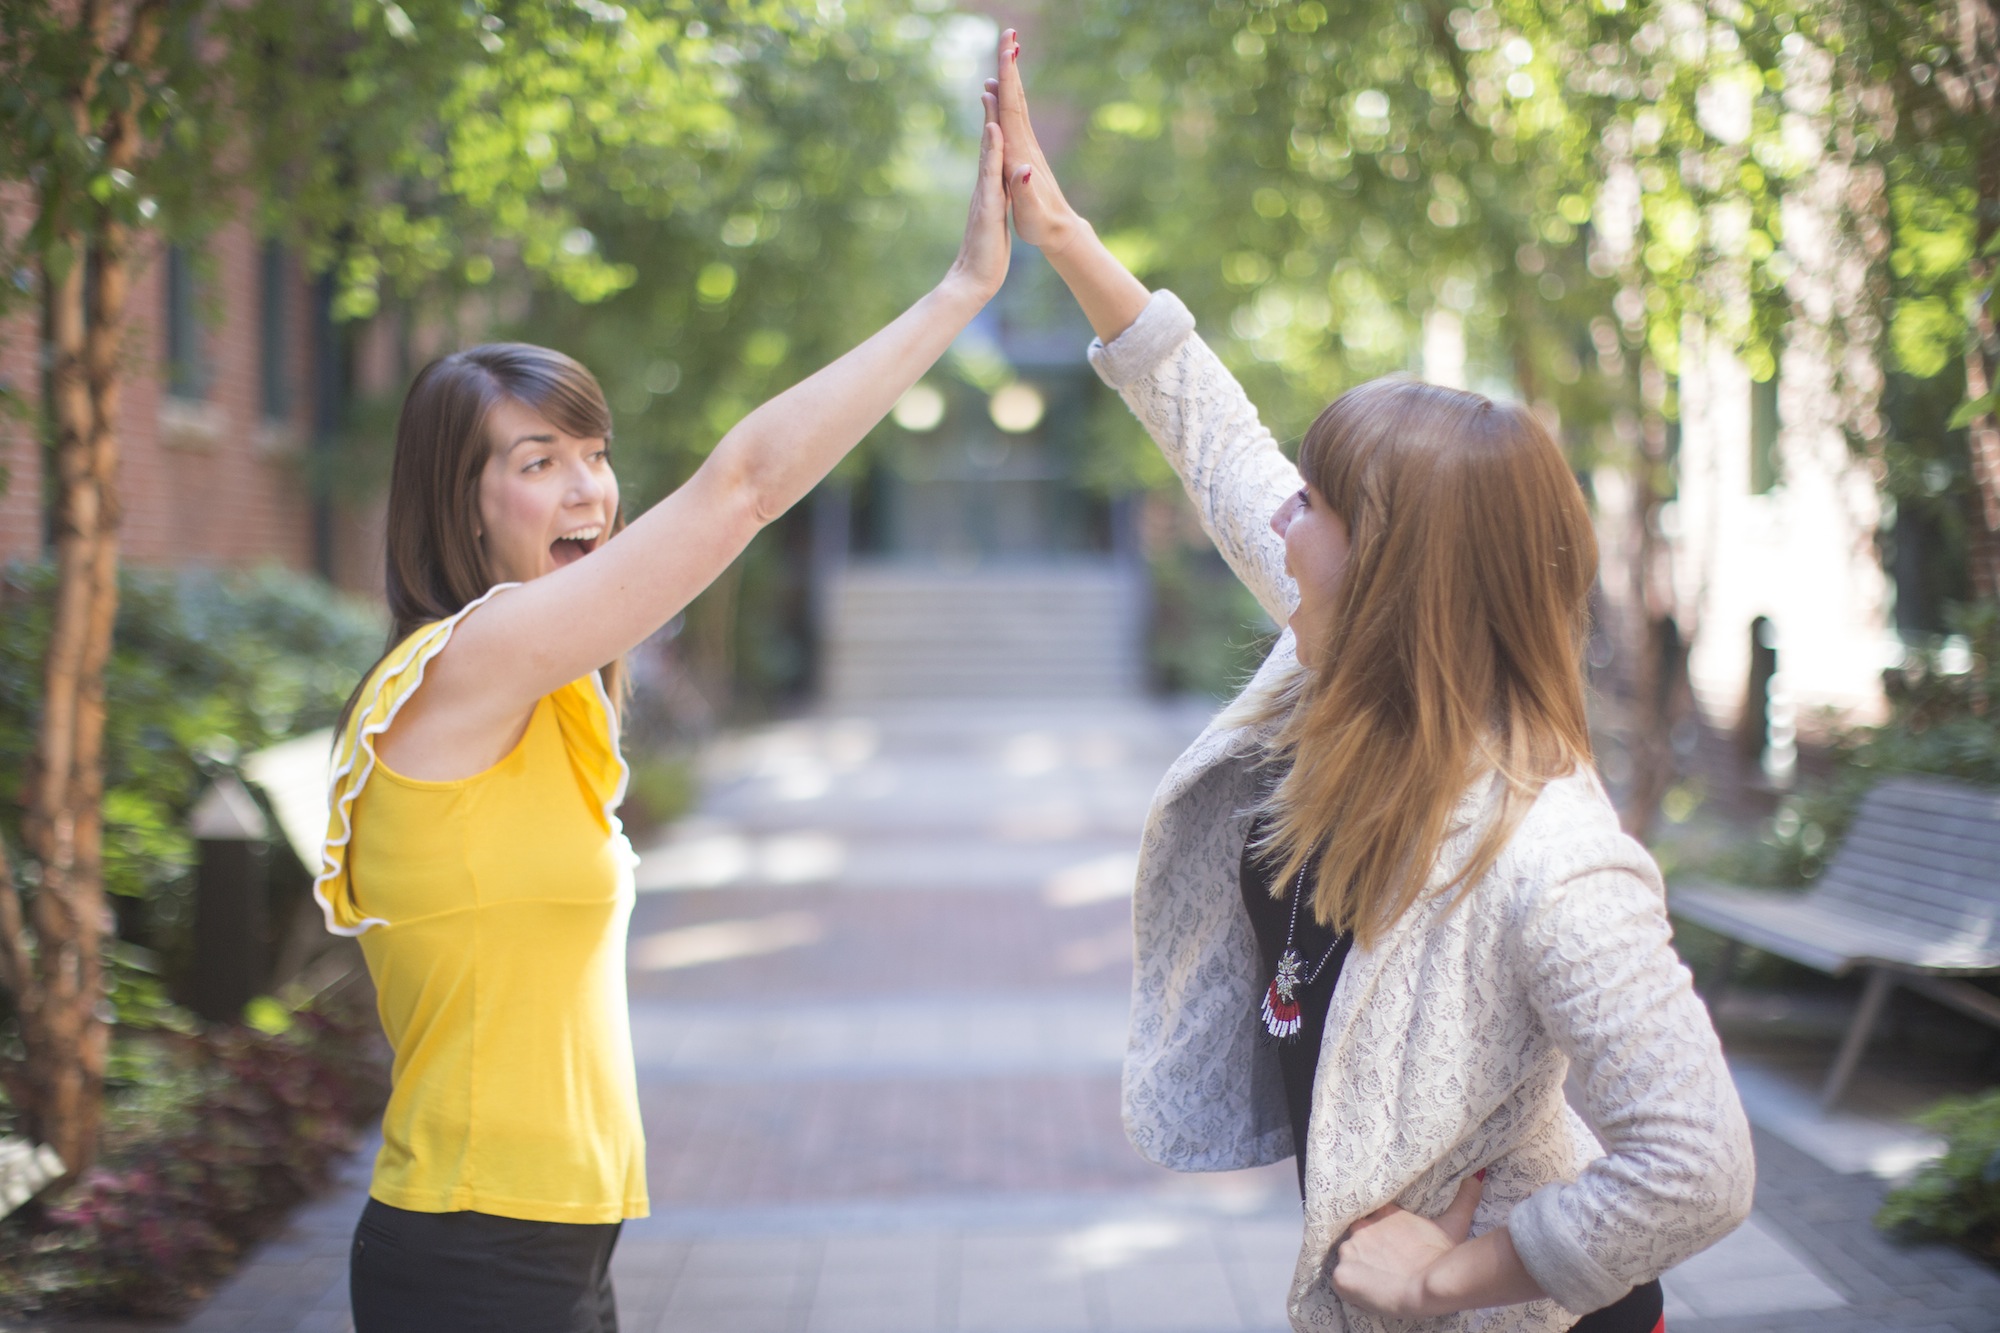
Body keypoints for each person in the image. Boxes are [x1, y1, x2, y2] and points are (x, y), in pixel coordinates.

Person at [986, 31, 1753, 1333]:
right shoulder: (1339, 656)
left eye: (1324, 505)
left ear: (1403, 577)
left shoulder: (1551, 855)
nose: (1289, 516)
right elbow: (1212, 433)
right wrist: (1053, 226)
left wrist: (1456, 1274)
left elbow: (1702, 1163)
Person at [311, 100, 1012, 1332]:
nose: (587, 486)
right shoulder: (461, 667)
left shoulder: (542, 686)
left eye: (593, 450)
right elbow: (743, 487)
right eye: (536, 461)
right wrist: (959, 290)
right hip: (475, 1256)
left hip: (546, 1248)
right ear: (458, 505)